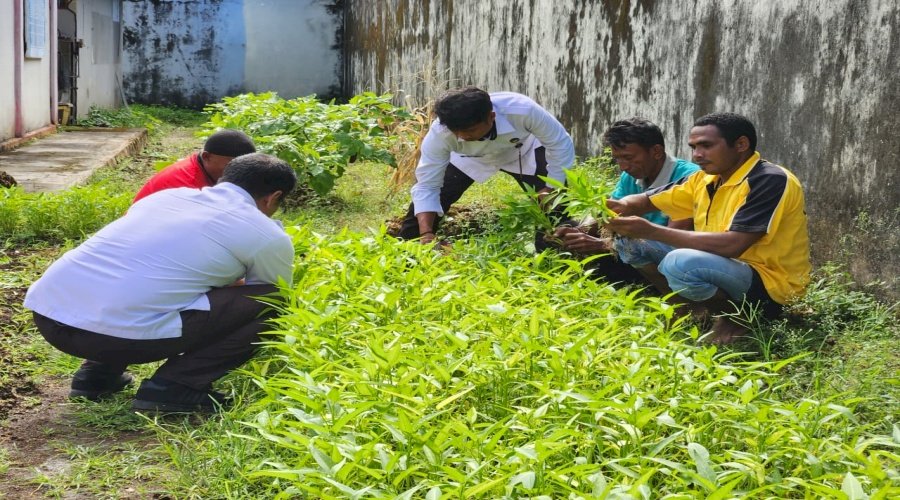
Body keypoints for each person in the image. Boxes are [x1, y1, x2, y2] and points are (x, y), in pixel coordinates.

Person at [25, 153, 297, 412]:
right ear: (274, 198)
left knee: (144, 280)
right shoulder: (266, 233)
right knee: (274, 301)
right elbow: (267, 290)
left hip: (49, 316)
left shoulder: (166, 197)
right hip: (117, 338)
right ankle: (175, 385)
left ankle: (97, 376)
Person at [605, 112, 810, 344]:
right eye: (693, 147)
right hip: (721, 267)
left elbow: (734, 244)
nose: (697, 155)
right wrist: (619, 205)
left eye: (706, 146)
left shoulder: (769, 179)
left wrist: (651, 231)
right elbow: (646, 200)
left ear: (741, 144)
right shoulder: (705, 179)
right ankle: (689, 308)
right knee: (629, 243)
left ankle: (739, 317)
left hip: (770, 282)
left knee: (678, 262)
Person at [397, 86, 576, 245]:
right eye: (455, 132)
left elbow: (559, 143)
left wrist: (552, 188)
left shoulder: (522, 109)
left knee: (554, 206)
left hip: (523, 150)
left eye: (469, 131)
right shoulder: (441, 133)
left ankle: (552, 251)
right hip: (467, 157)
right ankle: (411, 248)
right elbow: (428, 185)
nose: (461, 137)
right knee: (422, 216)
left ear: (491, 117)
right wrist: (426, 232)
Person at [553, 118, 699, 285]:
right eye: (618, 159)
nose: (623, 166)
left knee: (618, 260)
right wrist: (581, 231)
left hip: (666, 255)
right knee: (560, 233)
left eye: (628, 157)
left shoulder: (689, 177)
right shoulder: (631, 175)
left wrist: (603, 245)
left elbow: (671, 244)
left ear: (656, 152)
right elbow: (610, 211)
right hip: (632, 244)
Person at [132, 129, 256, 203]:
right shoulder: (189, 185)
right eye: (231, 164)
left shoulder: (201, 164)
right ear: (207, 157)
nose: (238, 171)